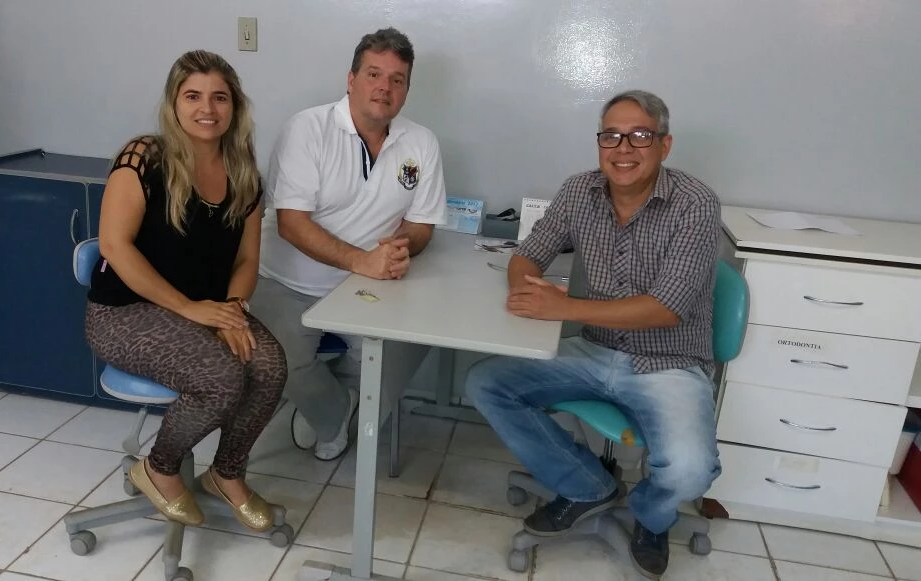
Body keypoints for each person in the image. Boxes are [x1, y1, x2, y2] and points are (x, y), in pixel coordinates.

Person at [465, 90, 721, 579]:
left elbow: (667, 308)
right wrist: (525, 289)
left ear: (664, 145)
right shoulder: (579, 190)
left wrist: (563, 307)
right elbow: (529, 253)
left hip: (668, 362)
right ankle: (587, 487)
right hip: (594, 349)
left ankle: (651, 518)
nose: (623, 149)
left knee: (689, 471)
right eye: (611, 136)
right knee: (486, 382)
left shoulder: (695, 204)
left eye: (639, 135)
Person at [85, 50, 286, 531]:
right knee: (222, 378)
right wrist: (190, 309)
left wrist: (233, 309)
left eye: (220, 97)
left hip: (205, 308)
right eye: (192, 96)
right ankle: (159, 468)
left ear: (235, 106)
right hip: (123, 313)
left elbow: (247, 260)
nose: (207, 109)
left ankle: (226, 474)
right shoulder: (144, 157)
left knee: (270, 366)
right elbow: (114, 245)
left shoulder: (244, 174)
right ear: (173, 103)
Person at [251, 27, 447, 461]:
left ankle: (341, 403)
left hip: (368, 284)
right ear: (351, 79)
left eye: (397, 79)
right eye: (374, 74)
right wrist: (362, 261)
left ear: (407, 89)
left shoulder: (422, 142)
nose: (385, 87)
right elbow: (291, 225)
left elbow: (421, 225)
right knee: (280, 362)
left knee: (397, 354)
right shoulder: (307, 129)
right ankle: (335, 413)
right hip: (287, 280)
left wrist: (399, 249)